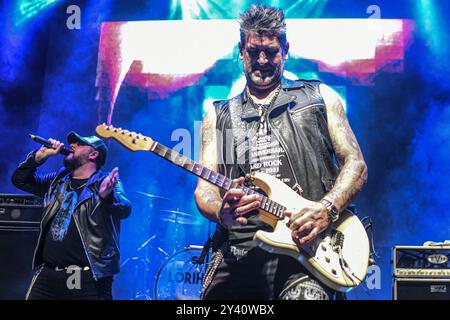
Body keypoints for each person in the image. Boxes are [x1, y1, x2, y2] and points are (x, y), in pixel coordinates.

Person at [194, 5, 368, 300]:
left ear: (285, 50)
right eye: (253, 52)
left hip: (307, 245)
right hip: (240, 249)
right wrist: (220, 212)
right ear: (241, 49)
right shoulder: (219, 115)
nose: (262, 61)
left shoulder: (319, 98)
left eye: (271, 52)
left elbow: (356, 164)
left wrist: (326, 209)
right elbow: (205, 191)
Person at [11, 132, 131, 300]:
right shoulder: (58, 179)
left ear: (93, 154)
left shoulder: (106, 182)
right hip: (48, 275)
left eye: (79, 144)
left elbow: (124, 208)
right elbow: (20, 180)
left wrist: (106, 197)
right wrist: (38, 158)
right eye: (73, 143)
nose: (72, 146)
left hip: (89, 279)